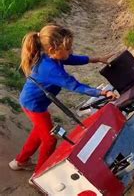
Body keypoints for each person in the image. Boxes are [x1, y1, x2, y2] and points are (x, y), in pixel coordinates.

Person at [8, 24, 117, 180]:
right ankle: (39, 175)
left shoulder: (50, 55)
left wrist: (96, 59)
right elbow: (75, 86)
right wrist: (102, 92)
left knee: (40, 132)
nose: (71, 51)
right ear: (53, 50)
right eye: (68, 48)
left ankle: (19, 161)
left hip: (35, 103)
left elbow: (71, 58)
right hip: (34, 106)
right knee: (50, 139)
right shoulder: (50, 68)